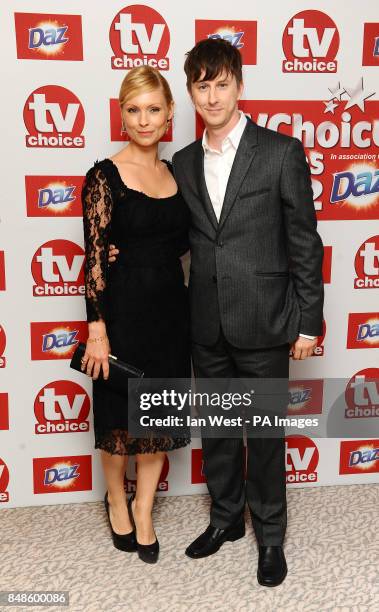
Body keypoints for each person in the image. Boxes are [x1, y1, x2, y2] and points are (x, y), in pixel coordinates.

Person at [109, 38, 324, 586]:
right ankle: (226, 519)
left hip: (267, 321)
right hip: (205, 323)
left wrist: (307, 321)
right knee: (222, 435)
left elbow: (304, 242)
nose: (212, 96)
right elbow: (162, 231)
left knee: (266, 437)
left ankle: (270, 536)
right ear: (190, 93)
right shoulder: (180, 162)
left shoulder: (280, 152)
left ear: (239, 85)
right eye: (201, 86)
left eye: (220, 83)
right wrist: (119, 252)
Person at [80, 66, 191, 564]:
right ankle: (117, 499)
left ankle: (144, 507)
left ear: (169, 114)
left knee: (158, 415)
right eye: (133, 110)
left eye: (153, 109)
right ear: (121, 114)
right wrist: (96, 328)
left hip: (171, 310)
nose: (143, 120)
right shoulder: (104, 174)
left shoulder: (178, 174)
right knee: (118, 417)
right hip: (121, 313)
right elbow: (94, 255)